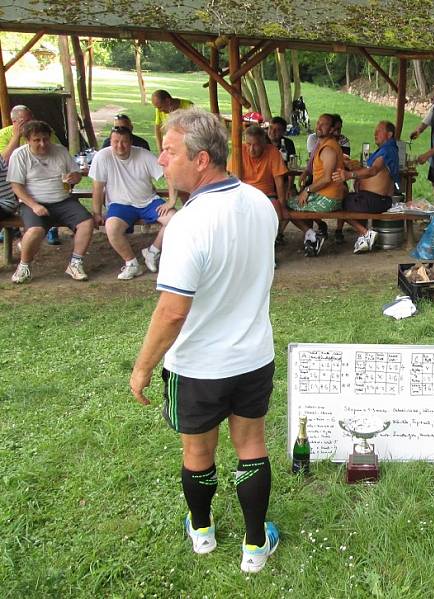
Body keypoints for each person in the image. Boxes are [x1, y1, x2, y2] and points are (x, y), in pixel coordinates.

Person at [129, 108, 280, 573]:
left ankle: (202, 532)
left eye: (169, 151)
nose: (161, 161)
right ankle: (255, 546)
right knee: (251, 445)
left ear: (199, 160)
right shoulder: (259, 203)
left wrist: (142, 366)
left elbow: (173, 310)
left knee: (198, 452)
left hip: (197, 366)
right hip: (253, 356)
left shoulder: (189, 224)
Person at [7, 121, 93, 283]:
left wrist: (75, 177)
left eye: (46, 139)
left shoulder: (60, 151)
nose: (42, 144)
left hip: (63, 199)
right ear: (28, 140)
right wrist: (34, 205)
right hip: (33, 201)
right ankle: (24, 266)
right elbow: (16, 186)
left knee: (87, 222)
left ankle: (75, 263)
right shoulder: (20, 155)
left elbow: (76, 174)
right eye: (37, 140)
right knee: (35, 231)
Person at [90, 125, 176, 280]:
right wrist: (96, 212)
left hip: (148, 201)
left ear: (131, 142)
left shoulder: (144, 155)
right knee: (112, 227)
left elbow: (169, 175)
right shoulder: (102, 157)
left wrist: (171, 200)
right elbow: (97, 187)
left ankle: (153, 251)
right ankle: (132, 263)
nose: (119, 146)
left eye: (124, 142)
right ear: (110, 141)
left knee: (174, 220)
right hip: (119, 204)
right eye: (115, 141)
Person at [0, 104, 63, 245]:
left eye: (31, 119)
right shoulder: (4, 134)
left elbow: (58, 153)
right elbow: (3, 162)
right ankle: (12, 229)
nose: (31, 124)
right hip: (13, 181)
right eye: (24, 121)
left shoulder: (44, 133)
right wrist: (16, 137)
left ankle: (51, 229)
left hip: (41, 177)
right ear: (14, 123)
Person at [332, 120, 399, 253]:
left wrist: (349, 175)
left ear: (389, 134)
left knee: (338, 203)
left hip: (376, 200)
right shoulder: (385, 150)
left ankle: (365, 233)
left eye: (379, 131)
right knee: (348, 199)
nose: (375, 134)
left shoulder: (387, 151)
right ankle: (363, 237)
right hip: (371, 198)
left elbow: (373, 171)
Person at [289, 114, 345, 257]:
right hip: (325, 195)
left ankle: (312, 235)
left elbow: (326, 179)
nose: (319, 126)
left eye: (324, 124)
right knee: (292, 202)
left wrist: (307, 190)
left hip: (328, 199)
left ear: (332, 129)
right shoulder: (322, 145)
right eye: (318, 123)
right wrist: (306, 173)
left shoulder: (329, 149)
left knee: (286, 206)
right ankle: (311, 235)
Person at [231, 125, 288, 231]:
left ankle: (271, 239)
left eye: (256, 145)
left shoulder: (272, 151)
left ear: (263, 144)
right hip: (244, 194)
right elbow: (232, 177)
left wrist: (282, 205)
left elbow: (279, 181)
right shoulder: (239, 151)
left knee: (276, 214)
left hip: (267, 195)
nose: (251, 149)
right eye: (248, 144)